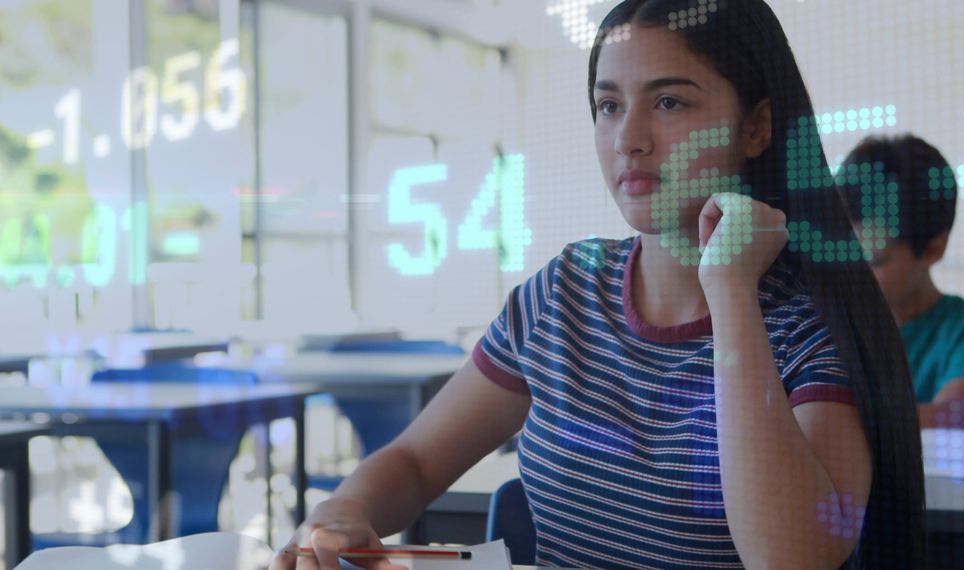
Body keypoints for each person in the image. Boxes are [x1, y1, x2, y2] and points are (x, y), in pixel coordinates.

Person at [271, 1, 924, 568]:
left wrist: (729, 290)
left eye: (668, 102)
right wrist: (344, 511)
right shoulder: (565, 293)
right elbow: (415, 462)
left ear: (756, 126)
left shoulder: (811, 324)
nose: (629, 139)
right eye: (609, 105)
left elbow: (790, 558)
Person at [837, 135, 964, 429]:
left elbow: (953, 418)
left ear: (934, 248)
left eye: (873, 262)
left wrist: (825, 420)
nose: (850, 275)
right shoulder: (824, 325)